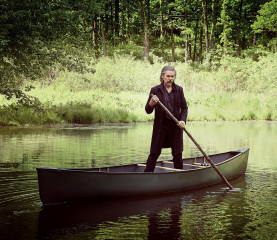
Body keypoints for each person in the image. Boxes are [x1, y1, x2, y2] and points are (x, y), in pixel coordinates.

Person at [144, 66, 188, 172]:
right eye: (168, 76)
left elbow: (184, 108)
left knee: (177, 154)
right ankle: (146, 176)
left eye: (172, 76)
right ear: (162, 76)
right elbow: (148, 110)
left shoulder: (179, 90)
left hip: (176, 126)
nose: (170, 78)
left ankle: (180, 176)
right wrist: (151, 103)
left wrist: (182, 120)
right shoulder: (155, 90)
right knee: (154, 153)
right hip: (161, 127)